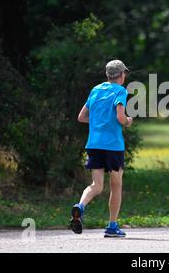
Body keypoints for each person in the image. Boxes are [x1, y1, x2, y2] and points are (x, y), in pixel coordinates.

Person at [70, 59, 132, 238]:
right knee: (116, 185)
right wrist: (128, 121)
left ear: (107, 75)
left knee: (96, 185)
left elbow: (82, 117)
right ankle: (112, 226)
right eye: (124, 74)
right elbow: (121, 118)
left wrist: (98, 122)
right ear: (121, 75)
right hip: (113, 146)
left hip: (94, 144)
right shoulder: (120, 91)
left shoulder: (96, 90)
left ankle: (80, 206)